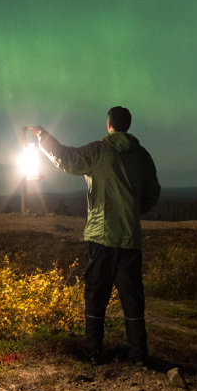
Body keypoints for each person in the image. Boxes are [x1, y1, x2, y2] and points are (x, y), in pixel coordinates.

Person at [30, 107, 161, 365]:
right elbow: (153, 192)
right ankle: (138, 355)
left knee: (95, 295)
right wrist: (134, 211)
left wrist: (43, 136)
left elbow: (66, 158)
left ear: (109, 125)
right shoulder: (142, 155)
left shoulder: (99, 151)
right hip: (130, 239)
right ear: (127, 126)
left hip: (102, 238)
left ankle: (93, 353)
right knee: (132, 297)